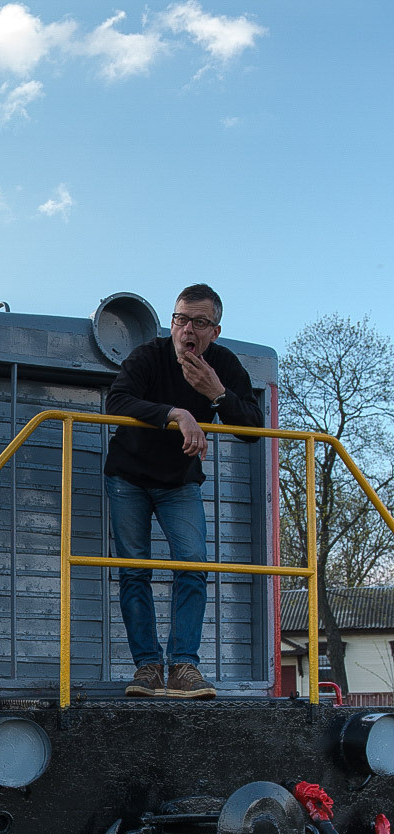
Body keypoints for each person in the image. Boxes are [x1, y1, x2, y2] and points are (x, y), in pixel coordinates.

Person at [103, 283, 262, 699]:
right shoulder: (149, 355)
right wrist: (177, 414)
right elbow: (116, 401)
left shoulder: (223, 365)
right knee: (133, 571)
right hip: (128, 477)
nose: (187, 329)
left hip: (179, 484)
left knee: (193, 565)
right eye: (180, 319)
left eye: (199, 322)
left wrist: (217, 394)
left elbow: (252, 430)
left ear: (215, 331)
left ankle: (184, 666)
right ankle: (148, 667)